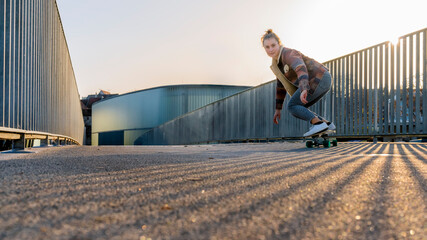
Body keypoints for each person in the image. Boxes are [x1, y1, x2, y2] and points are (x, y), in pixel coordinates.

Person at [261, 29, 335, 137]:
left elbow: (300, 67)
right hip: (320, 78)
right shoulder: (277, 64)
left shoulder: (288, 53)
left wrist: (304, 88)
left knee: (292, 105)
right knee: (298, 106)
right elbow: (281, 85)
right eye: (267, 47)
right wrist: (278, 108)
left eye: (273, 45)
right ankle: (326, 124)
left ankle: (318, 124)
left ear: (279, 44)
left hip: (319, 78)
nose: (271, 49)